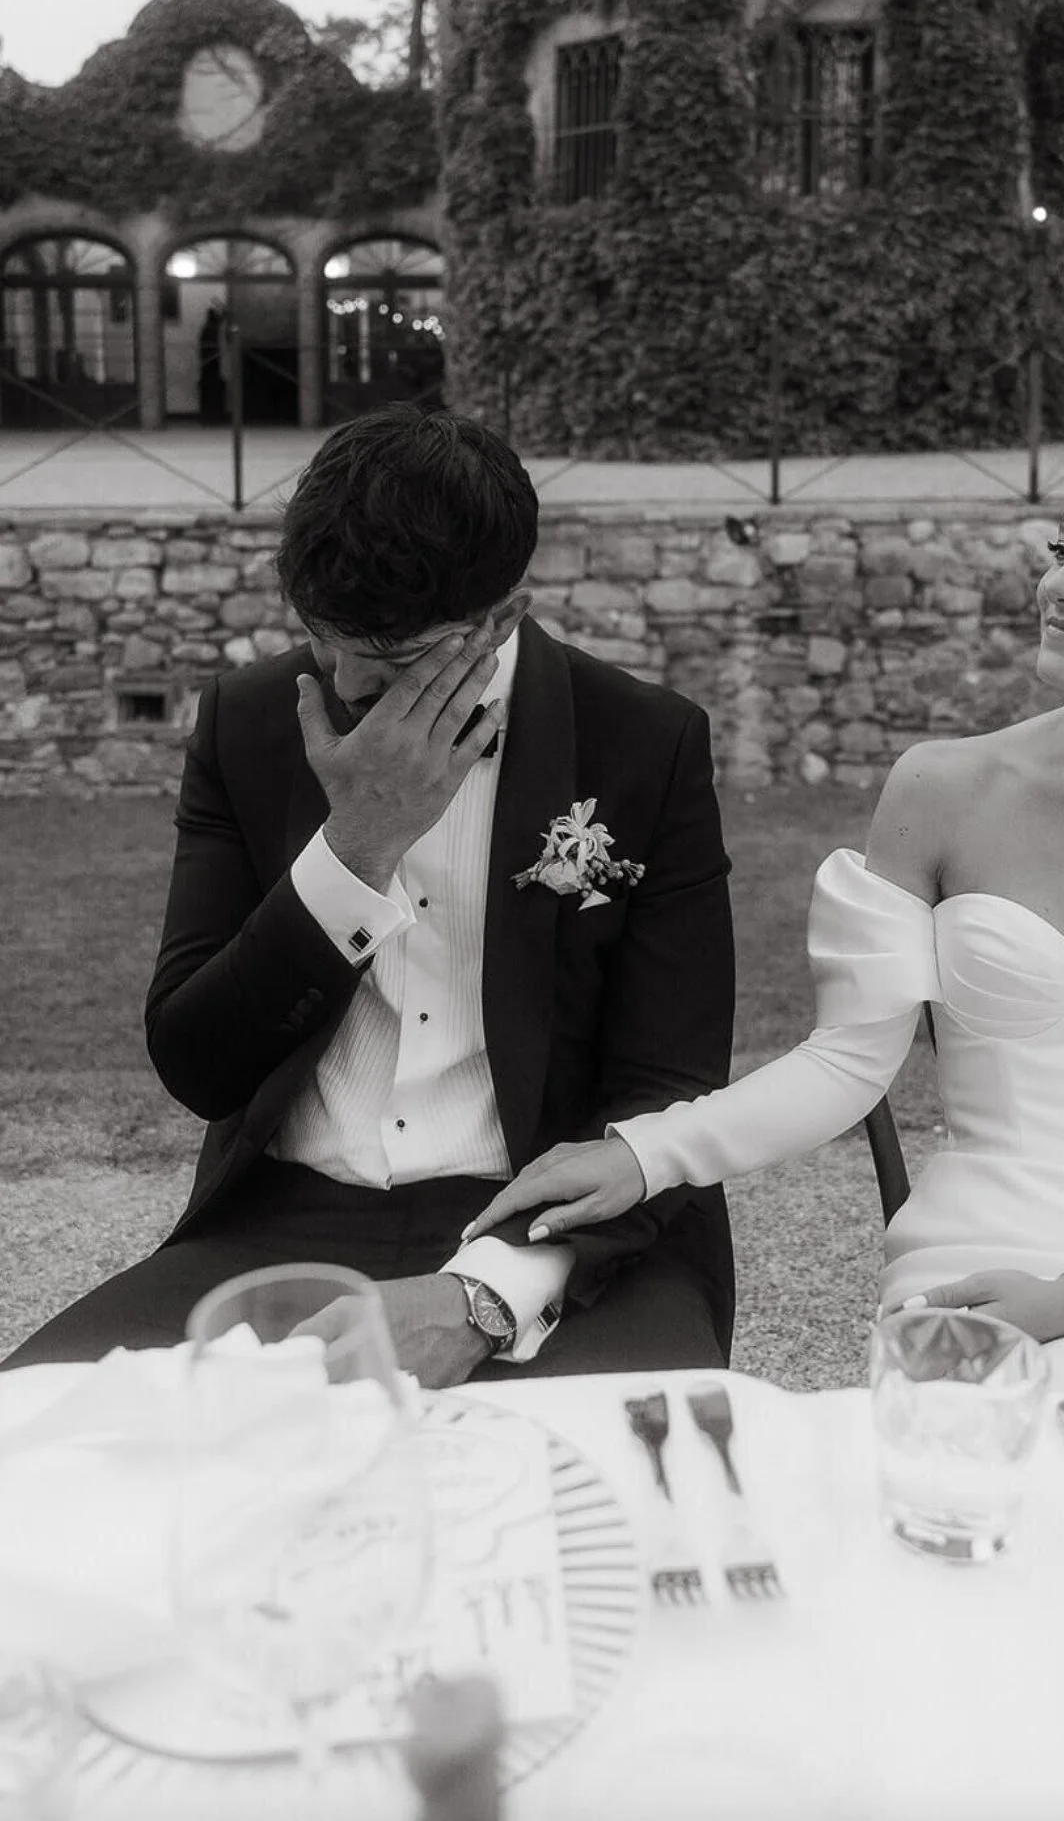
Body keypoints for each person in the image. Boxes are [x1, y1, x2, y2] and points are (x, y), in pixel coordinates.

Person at [468, 447, 1064, 1391]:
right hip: (976, 1246)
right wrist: (645, 1152)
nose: (1058, 585)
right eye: (1063, 547)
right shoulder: (941, 788)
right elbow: (846, 1063)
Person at [3, 408, 736, 1382]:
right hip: (280, 1224)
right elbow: (198, 1063)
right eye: (320, 636)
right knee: (50, 1461)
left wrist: (484, 1291)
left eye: (388, 661)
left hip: (558, 1236)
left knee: (636, 1510)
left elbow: (669, 1088)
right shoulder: (253, 723)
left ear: (502, 616)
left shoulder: (642, 744)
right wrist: (356, 846)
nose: (341, 681)